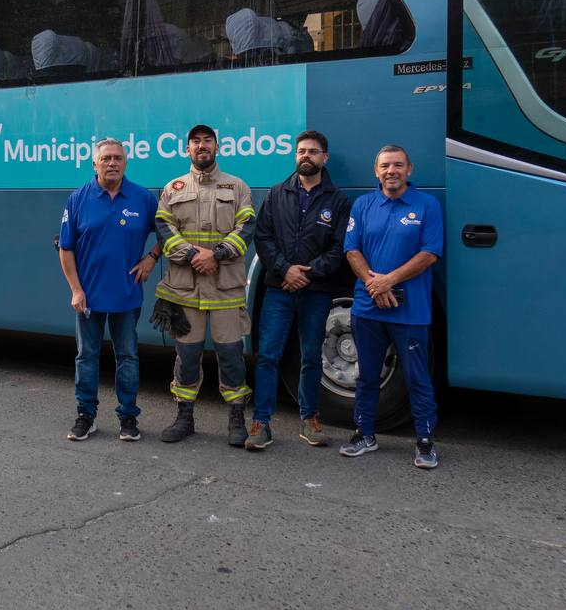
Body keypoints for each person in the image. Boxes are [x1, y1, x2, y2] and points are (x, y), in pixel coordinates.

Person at [339, 144, 443, 469]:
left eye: (398, 165)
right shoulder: (363, 204)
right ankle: (364, 434)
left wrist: (390, 280)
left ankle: (425, 442)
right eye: (385, 166)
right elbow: (351, 249)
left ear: (409, 169)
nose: (391, 171)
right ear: (376, 171)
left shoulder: (427, 205)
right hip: (367, 307)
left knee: (416, 377)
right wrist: (375, 284)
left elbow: (430, 253)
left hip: (410, 310)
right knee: (367, 375)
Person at [246, 130, 351, 451]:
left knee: (310, 357)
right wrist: (284, 269)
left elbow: (340, 247)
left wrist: (309, 273)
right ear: (296, 156)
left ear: (325, 158)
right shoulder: (277, 194)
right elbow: (263, 237)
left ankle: (309, 419)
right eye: (302, 151)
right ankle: (261, 422)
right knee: (267, 356)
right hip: (279, 289)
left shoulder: (338, 200)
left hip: (317, 292)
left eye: (314, 151)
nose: (307, 156)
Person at [151, 125, 255, 447]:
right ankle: (185, 417)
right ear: (187, 149)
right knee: (188, 355)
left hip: (224, 289)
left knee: (231, 355)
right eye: (195, 142)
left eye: (206, 141)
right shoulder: (172, 188)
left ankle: (236, 417)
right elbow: (163, 229)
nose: (201, 146)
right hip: (185, 289)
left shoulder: (237, 187)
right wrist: (197, 255)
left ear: (216, 146)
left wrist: (218, 254)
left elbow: (248, 225)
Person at [59, 138, 161, 442]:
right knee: (86, 356)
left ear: (126, 163)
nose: (112, 163)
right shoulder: (78, 198)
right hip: (88, 297)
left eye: (117, 158)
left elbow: (170, 233)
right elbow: (66, 249)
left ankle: (128, 418)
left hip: (127, 296)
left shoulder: (142, 198)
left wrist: (151, 258)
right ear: (95, 164)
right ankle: (85, 415)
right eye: (106, 159)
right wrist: (76, 290)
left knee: (127, 357)